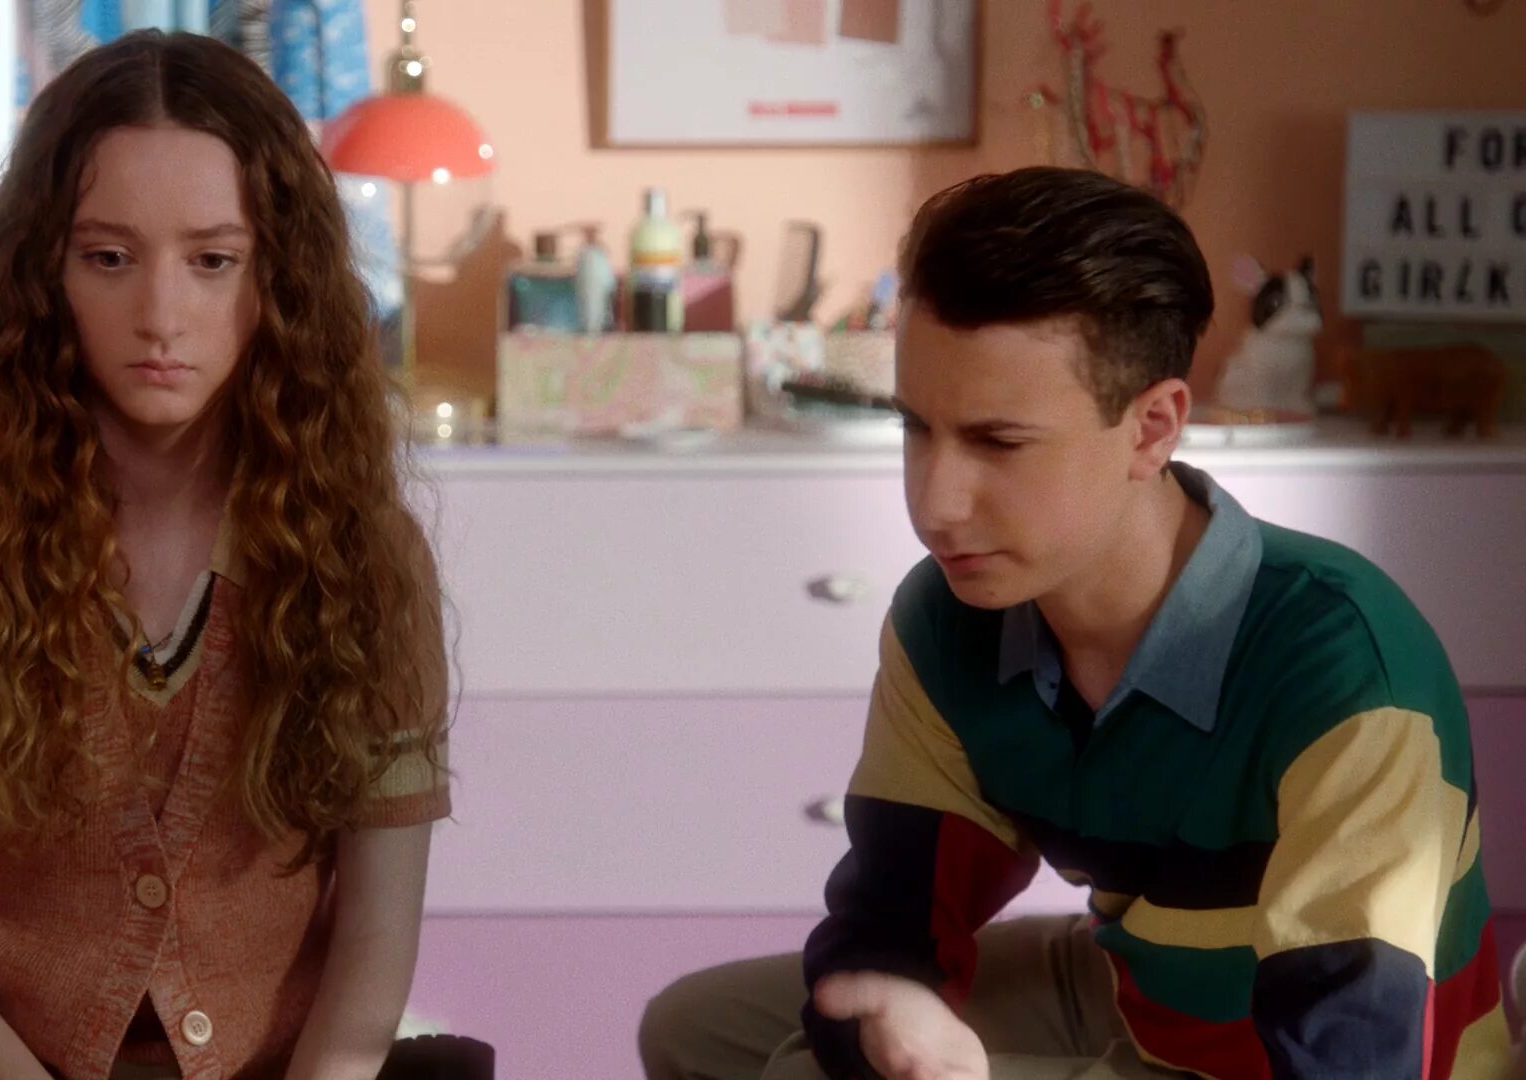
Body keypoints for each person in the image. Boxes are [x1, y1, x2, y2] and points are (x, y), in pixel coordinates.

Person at [639, 166, 1512, 1080]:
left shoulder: (1346, 671)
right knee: (694, 1028)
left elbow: (1352, 1061)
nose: (936, 505)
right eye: (917, 429)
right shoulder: (949, 619)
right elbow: (891, 920)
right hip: (1144, 987)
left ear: (1152, 428)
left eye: (998, 442)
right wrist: (889, 1006)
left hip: (1328, 1057)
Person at [0, 31, 450, 1080]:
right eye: (108, 258)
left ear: (279, 280)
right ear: (43, 273)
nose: (160, 316)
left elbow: (373, 958)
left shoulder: (366, 556)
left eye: (213, 261)